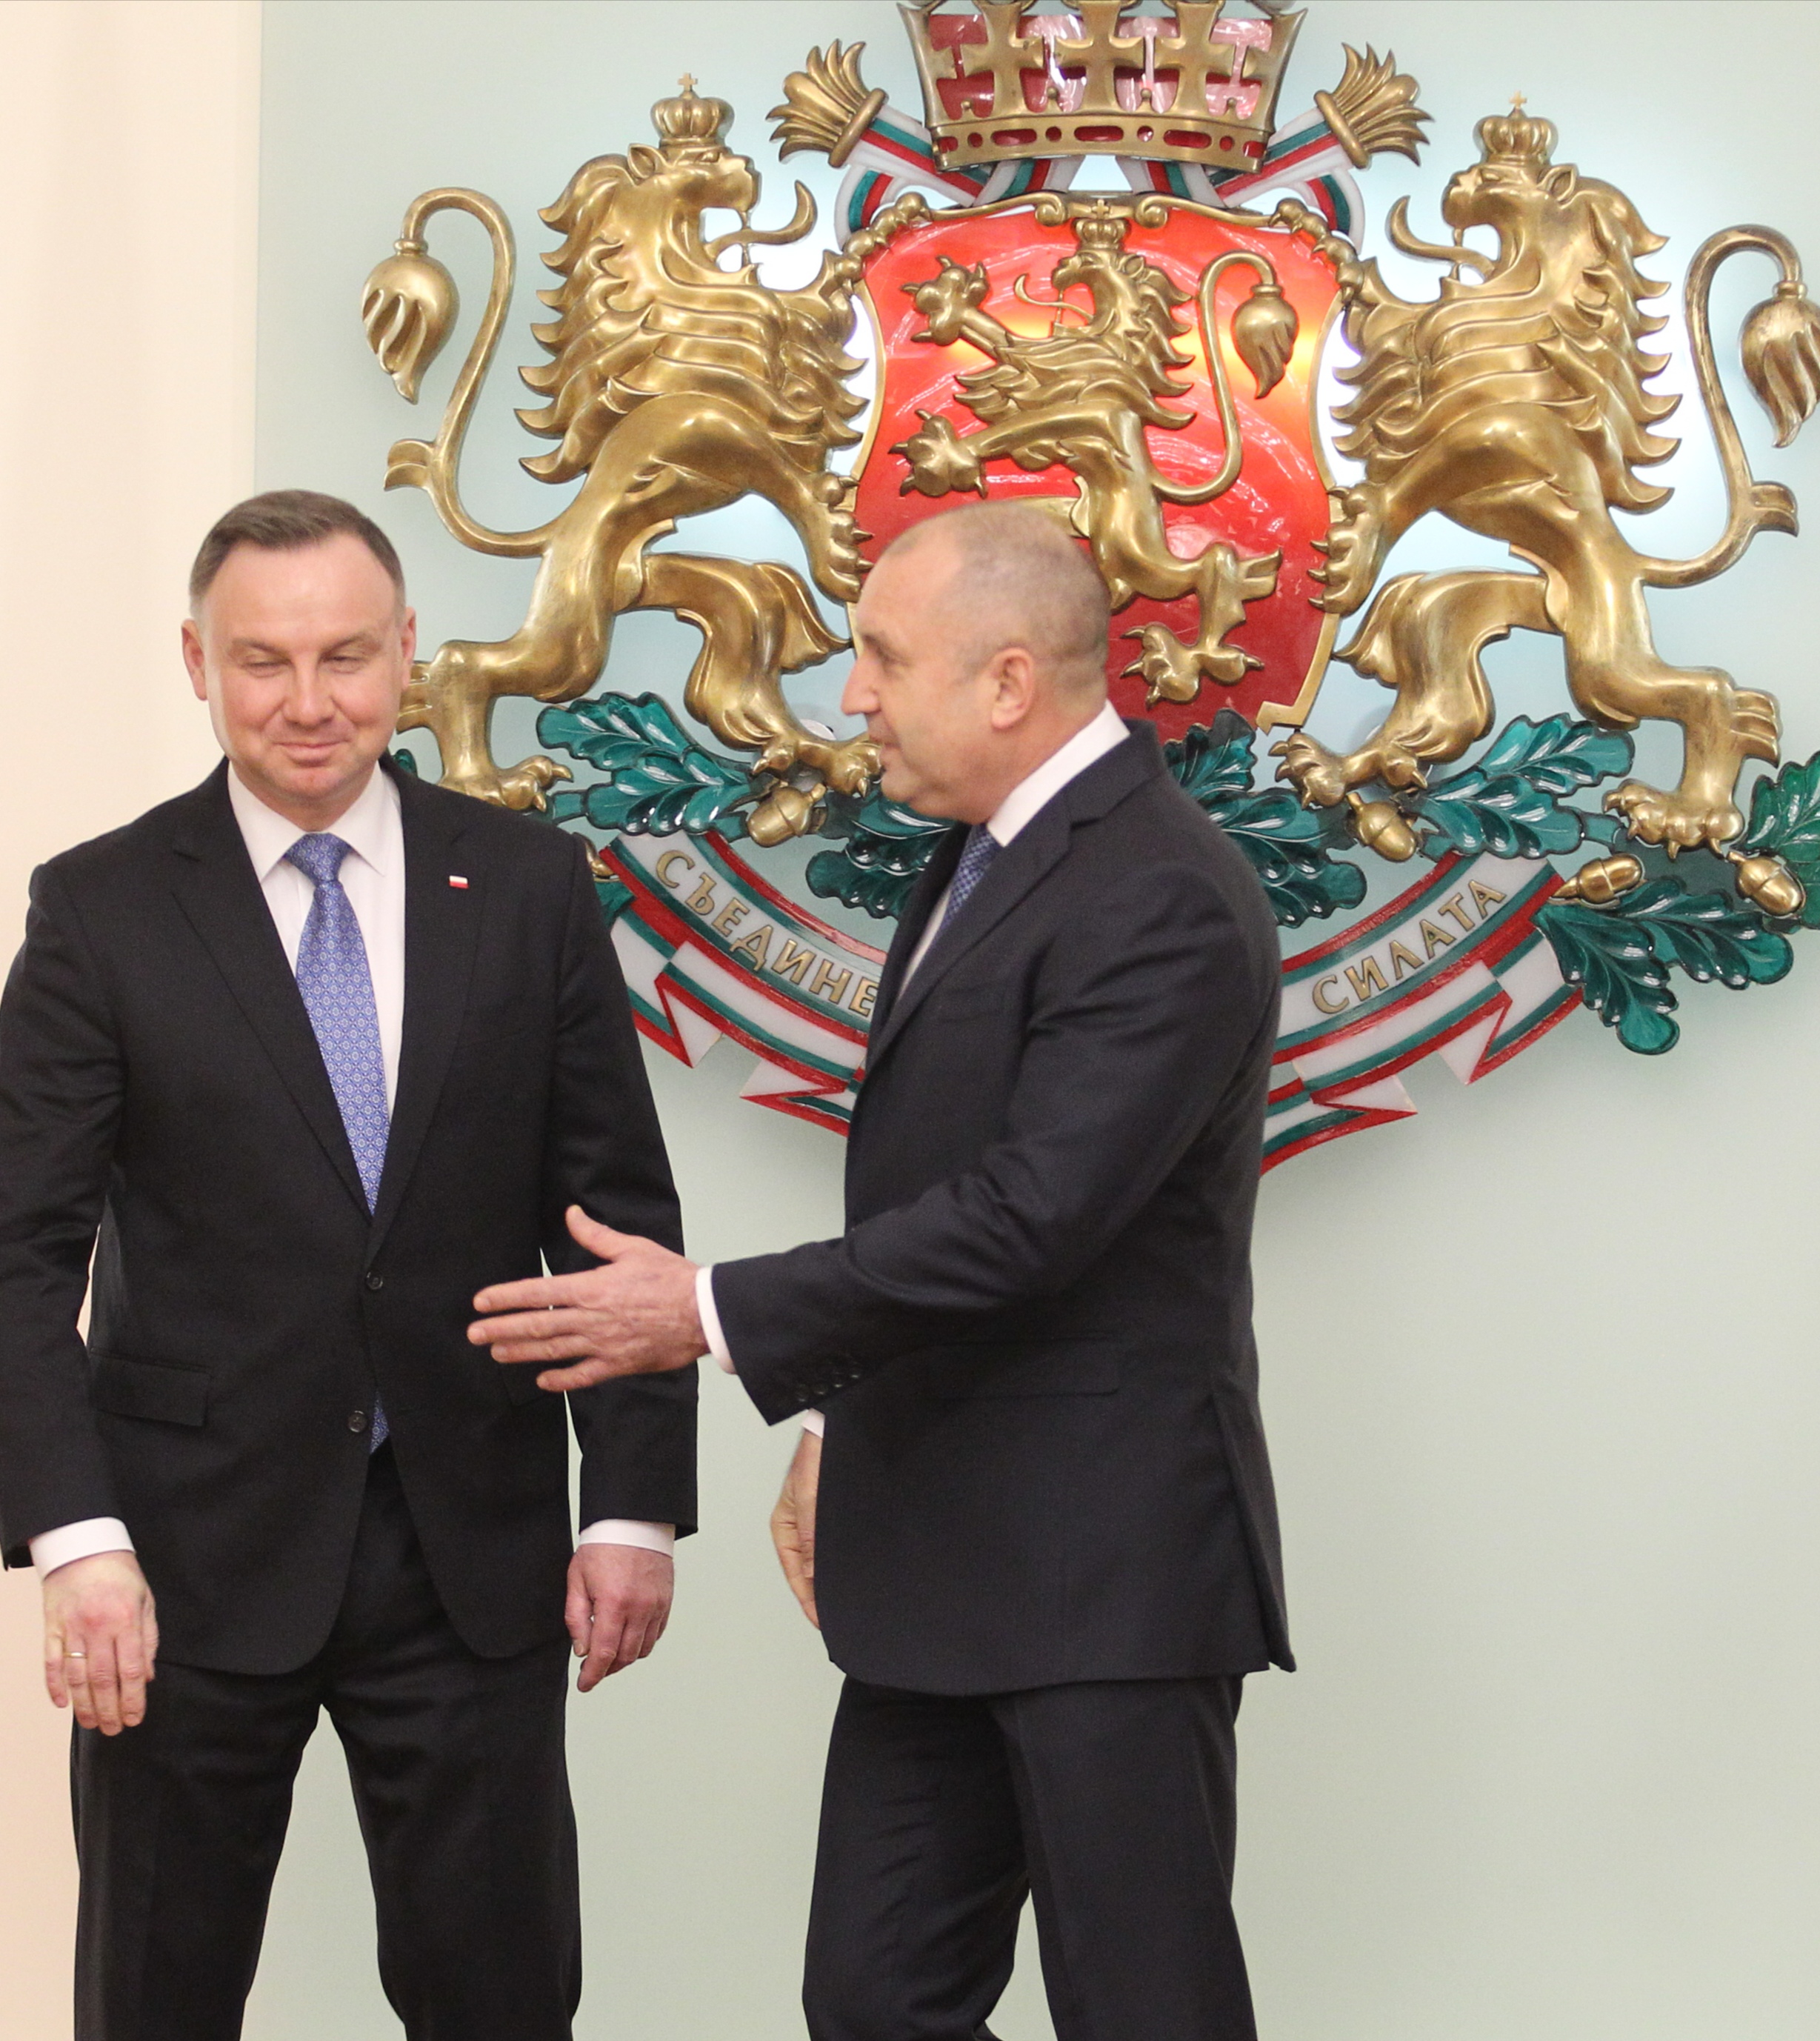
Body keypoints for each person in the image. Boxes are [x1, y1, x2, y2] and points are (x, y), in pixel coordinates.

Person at [471, 499, 1289, 2041]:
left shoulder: (1161, 893)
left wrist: (702, 1310)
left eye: (881, 658)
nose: (850, 695)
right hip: (938, 1567)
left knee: (1144, 2009)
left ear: (1005, 681)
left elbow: (1031, 1216)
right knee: (872, 1999)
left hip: (1103, 1577)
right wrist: (835, 1417)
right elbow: (941, 1186)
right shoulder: (984, 857)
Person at [0, 489, 693, 2041]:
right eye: (262, 661)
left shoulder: (532, 886)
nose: (308, 702)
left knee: (501, 2003)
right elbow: (14, 1256)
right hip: (181, 1565)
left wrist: (629, 1505)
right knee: (155, 2002)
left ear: (407, 649)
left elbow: (613, 1220)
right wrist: (77, 1540)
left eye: (346, 657)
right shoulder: (100, 908)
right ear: (196, 663)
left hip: (470, 1552)